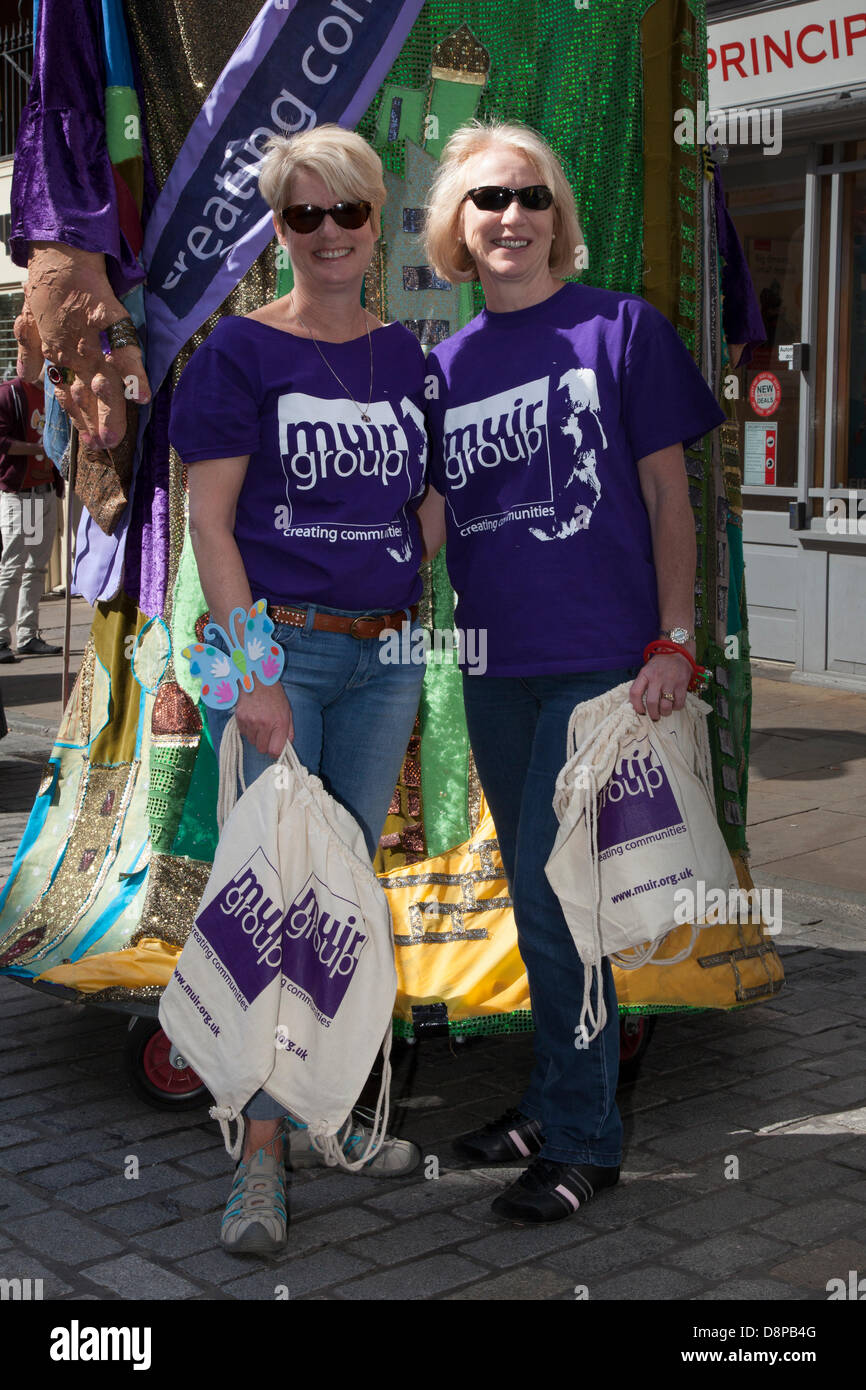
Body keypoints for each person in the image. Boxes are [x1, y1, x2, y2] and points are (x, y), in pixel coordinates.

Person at [419, 119, 726, 1223]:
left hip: (602, 667)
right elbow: (428, 526)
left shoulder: (621, 331)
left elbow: (666, 499)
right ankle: (548, 1104)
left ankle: (586, 1141)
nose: (511, 216)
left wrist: (672, 637)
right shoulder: (440, 371)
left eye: (531, 196)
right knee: (534, 898)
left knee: (567, 904)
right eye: (488, 199)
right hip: (494, 671)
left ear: (558, 215)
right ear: (455, 224)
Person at [170, 124, 438, 1255]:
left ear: (377, 220)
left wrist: (414, 593)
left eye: (347, 213)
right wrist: (253, 678)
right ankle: (260, 1155)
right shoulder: (240, 352)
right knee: (271, 904)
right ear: (278, 228)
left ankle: (325, 1112)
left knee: (334, 898)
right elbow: (208, 521)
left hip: (383, 662)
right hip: (283, 659)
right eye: (302, 215)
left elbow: (425, 497)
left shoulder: (411, 361)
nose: (327, 235)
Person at [0, 372, 63, 662]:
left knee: (35, 567)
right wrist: (39, 449)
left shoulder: (54, 391)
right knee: (11, 568)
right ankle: (1, 637)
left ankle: (28, 635)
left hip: (42, 494)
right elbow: (2, 441)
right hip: (19, 495)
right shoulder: (9, 393)